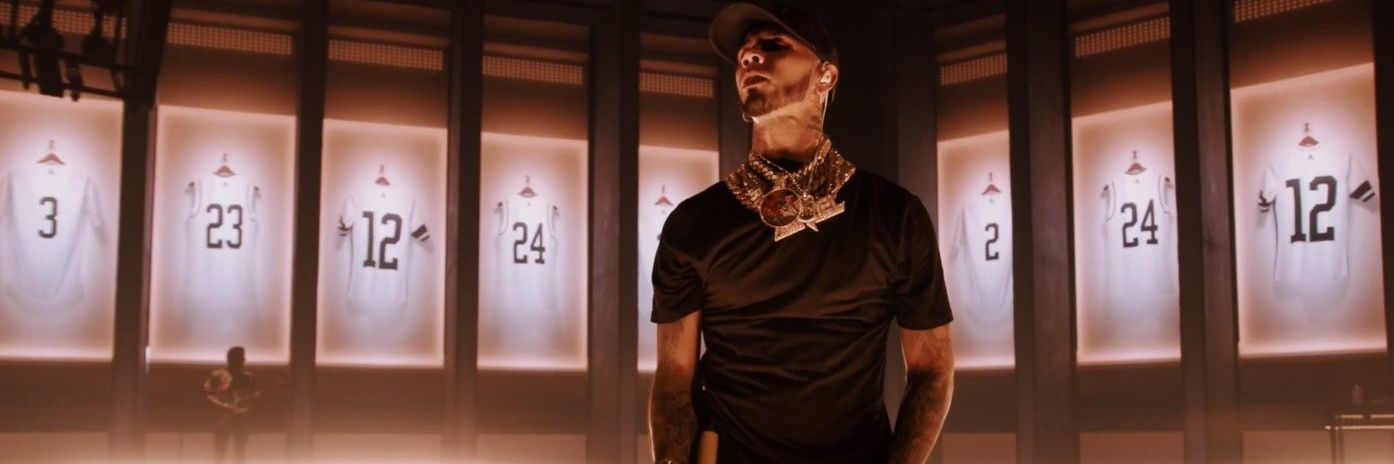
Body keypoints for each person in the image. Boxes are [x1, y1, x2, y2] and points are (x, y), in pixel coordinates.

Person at [647, 3, 955, 463]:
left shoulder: (894, 216)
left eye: (774, 44)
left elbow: (933, 370)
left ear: (825, 76)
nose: (750, 56)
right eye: (744, 51)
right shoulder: (693, 224)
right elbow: (674, 380)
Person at [203, 346, 257, 464]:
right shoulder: (217, 375)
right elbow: (208, 396)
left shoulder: (249, 377)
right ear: (229, 359)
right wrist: (223, 406)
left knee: (240, 451)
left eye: (242, 358)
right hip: (223, 418)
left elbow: (252, 398)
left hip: (242, 418)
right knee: (220, 451)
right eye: (237, 358)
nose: (241, 361)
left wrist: (251, 401)